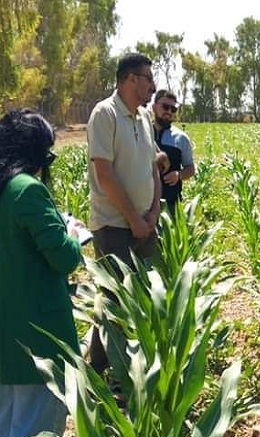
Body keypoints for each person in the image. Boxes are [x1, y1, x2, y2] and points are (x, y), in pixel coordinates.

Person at [0, 109, 84, 437]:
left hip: (5, 344)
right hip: (39, 345)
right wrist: (72, 232)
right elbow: (64, 257)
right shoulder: (27, 190)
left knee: (7, 436)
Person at [86, 53, 166, 373]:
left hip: (145, 223)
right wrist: (133, 217)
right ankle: (113, 374)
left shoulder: (144, 117)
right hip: (114, 225)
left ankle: (122, 362)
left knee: (150, 292)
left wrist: (154, 212)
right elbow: (104, 174)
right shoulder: (104, 114)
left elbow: (153, 167)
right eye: (148, 78)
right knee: (115, 298)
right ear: (130, 80)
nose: (152, 85)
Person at [152, 89, 195, 215]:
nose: (169, 112)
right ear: (154, 107)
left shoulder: (181, 138)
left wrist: (179, 175)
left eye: (173, 109)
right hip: (143, 204)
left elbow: (190, 168)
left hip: (170, 205)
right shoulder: (142, 133)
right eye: (165, 107)